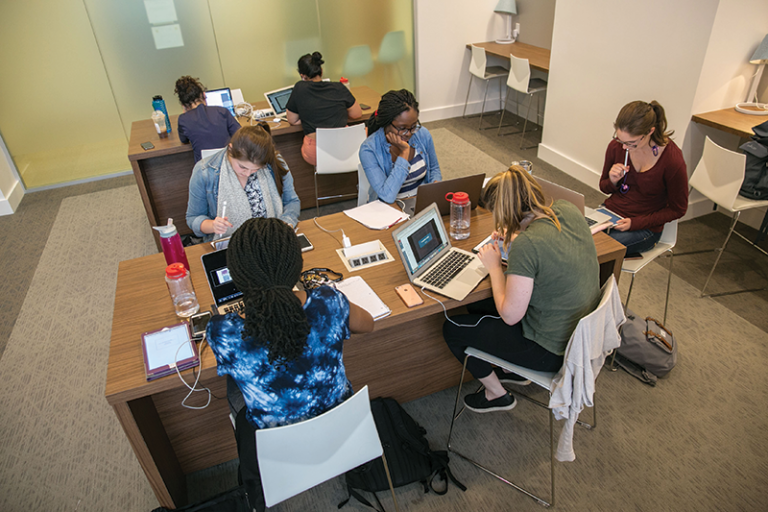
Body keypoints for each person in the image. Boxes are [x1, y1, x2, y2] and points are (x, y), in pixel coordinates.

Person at [205, 217, 374, 511]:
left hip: (278, 451)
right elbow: (368, 324)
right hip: (343, 431)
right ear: (296, 264)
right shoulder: (328, 302)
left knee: (233, 386)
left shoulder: (223, 332)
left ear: (237, 274)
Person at [443, 166, 600, 413]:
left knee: (453, 327)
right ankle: (510, 369)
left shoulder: (528, 245)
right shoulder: (566, 209)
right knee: (478, 305)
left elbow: (510, 315)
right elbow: (548, 247)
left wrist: (495, 267)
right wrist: (517, 236)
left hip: (551, 352)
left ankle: (496, 394)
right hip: (580, 337)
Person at [599, 100, 688, 254]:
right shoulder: (616, 146)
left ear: (650, 131)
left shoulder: (672, 160)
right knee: (571, 238)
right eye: (621, 140)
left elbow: (678, 209)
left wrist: (635, 223)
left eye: (631, 143)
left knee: (595, 249)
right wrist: (613, 181)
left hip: (645, 228)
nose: (624, 147)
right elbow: (604, 187)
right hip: (611, 214)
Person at [186, 124, 300, 242]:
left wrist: (286, 224)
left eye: (256, 169)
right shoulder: (204, 171)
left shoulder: (274, 162)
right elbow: (193, 218)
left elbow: (291, 201)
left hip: (271, 239)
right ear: (230, 149)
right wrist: (212, 225)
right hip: (228, 244)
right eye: (242, 167)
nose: (248, 174)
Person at [359, 89, 442, 204]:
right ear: (386, 123)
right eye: (402, 128)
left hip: (420, 203)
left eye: (413, 126)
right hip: (389, 209)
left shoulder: (422, 134)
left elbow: (434, 169)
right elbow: (387, 196)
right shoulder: (369, 149)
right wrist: (404, 153)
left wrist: (436, 185)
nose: (408, 133)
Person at [285, 52, 362, 166]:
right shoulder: (339, 87)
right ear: (321, 71)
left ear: (302, 75)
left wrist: (309, 116)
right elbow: (357, 114)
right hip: (345, 150)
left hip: (316, 155)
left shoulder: (299, 88)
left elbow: (292, 120)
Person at [174, 75, 241, 163]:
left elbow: (184, 139)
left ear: (183, 105)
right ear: (204, 95)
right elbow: (240, 134)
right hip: (229, 164)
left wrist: (186, 114)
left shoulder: (183, 119)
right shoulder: (222, 111)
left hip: (204, 170)